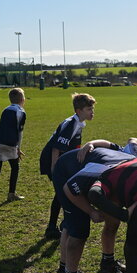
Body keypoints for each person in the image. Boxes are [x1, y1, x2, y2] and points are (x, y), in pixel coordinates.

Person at [53, 143, 131, 273]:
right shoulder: (102, 169)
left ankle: (107, 265)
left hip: (95, 176)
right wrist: (91, 211)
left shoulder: (136, 163)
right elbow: (71, 188)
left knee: (113, 222)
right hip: (67, 174)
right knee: (78, 227)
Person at [40, 93, 96, 239]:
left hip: (62, 162)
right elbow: (56, 148)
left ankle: (56, 226)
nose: (92, 112)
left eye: (92, 109)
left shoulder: (78, 122)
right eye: (89, 109)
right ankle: (55, 227)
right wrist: (54, 168)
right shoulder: (71, 123)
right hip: (53, 161)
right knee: (63, 193)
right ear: (79, 111)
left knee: (62, 193)